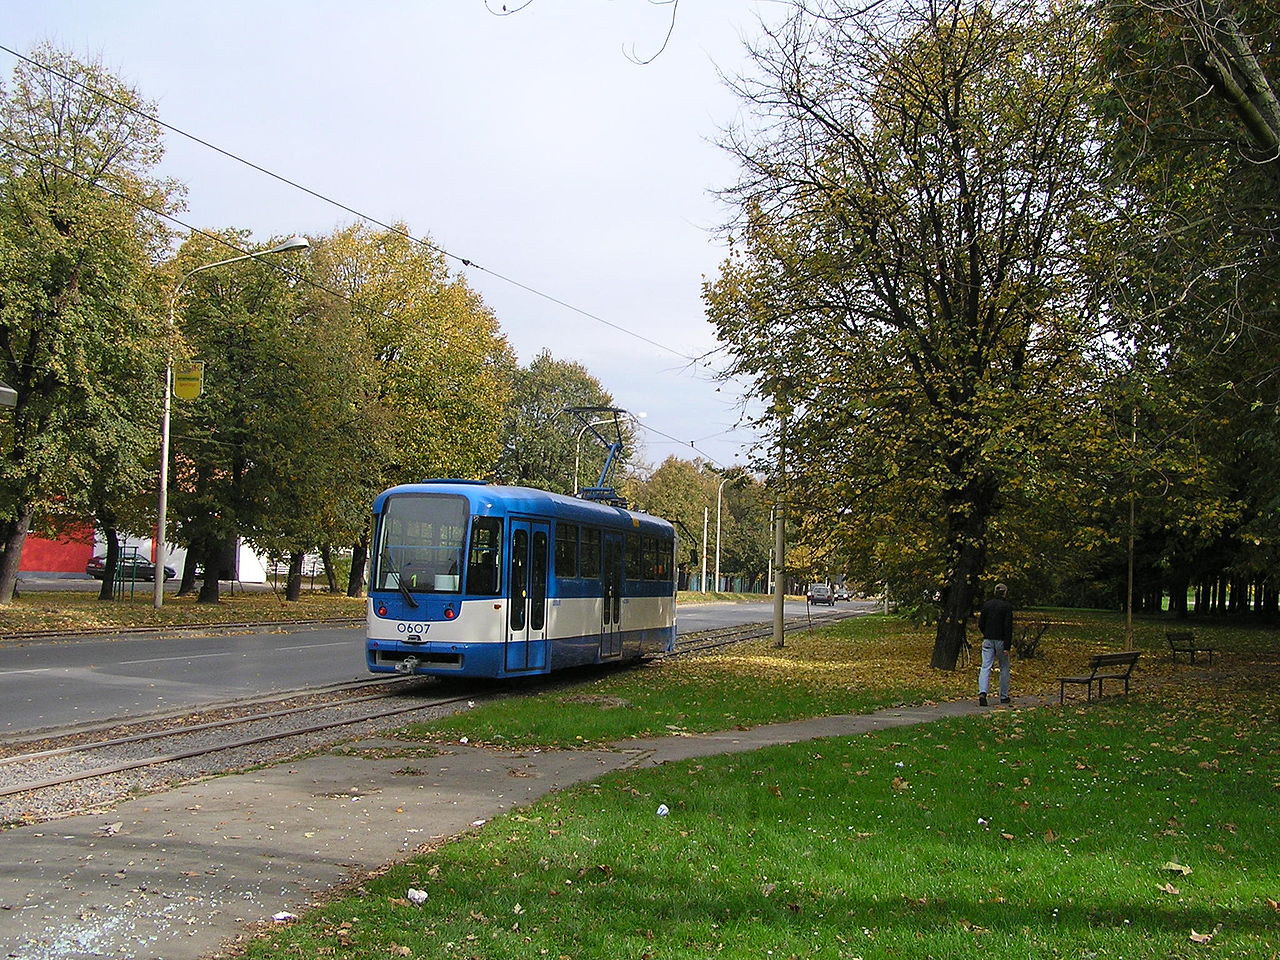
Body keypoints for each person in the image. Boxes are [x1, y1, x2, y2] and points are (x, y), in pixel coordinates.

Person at [977, 583, 1014, 706]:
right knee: (1004, 667)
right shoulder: (1007, 607)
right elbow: (1008, 627)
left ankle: (982, 692)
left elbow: (981, 623)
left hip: (988, 639)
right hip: (1001, 641)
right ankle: (1003, 696)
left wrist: (986, 633)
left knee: (985, 666)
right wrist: (1007, 646)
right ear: (1005, 593)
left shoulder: (987, 605)